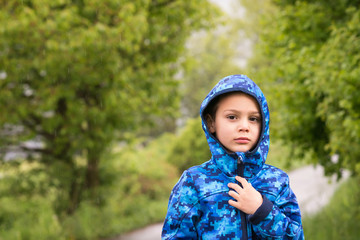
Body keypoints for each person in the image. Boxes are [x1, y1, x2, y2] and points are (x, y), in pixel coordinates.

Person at [162, 75, 304, 239]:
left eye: (253, 119)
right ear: (211, 123)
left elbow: (296, 236)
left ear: (263, 125)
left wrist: (261, 210)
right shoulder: (193, 183)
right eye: (232, 117)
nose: (244, 126)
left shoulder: (277, 182)